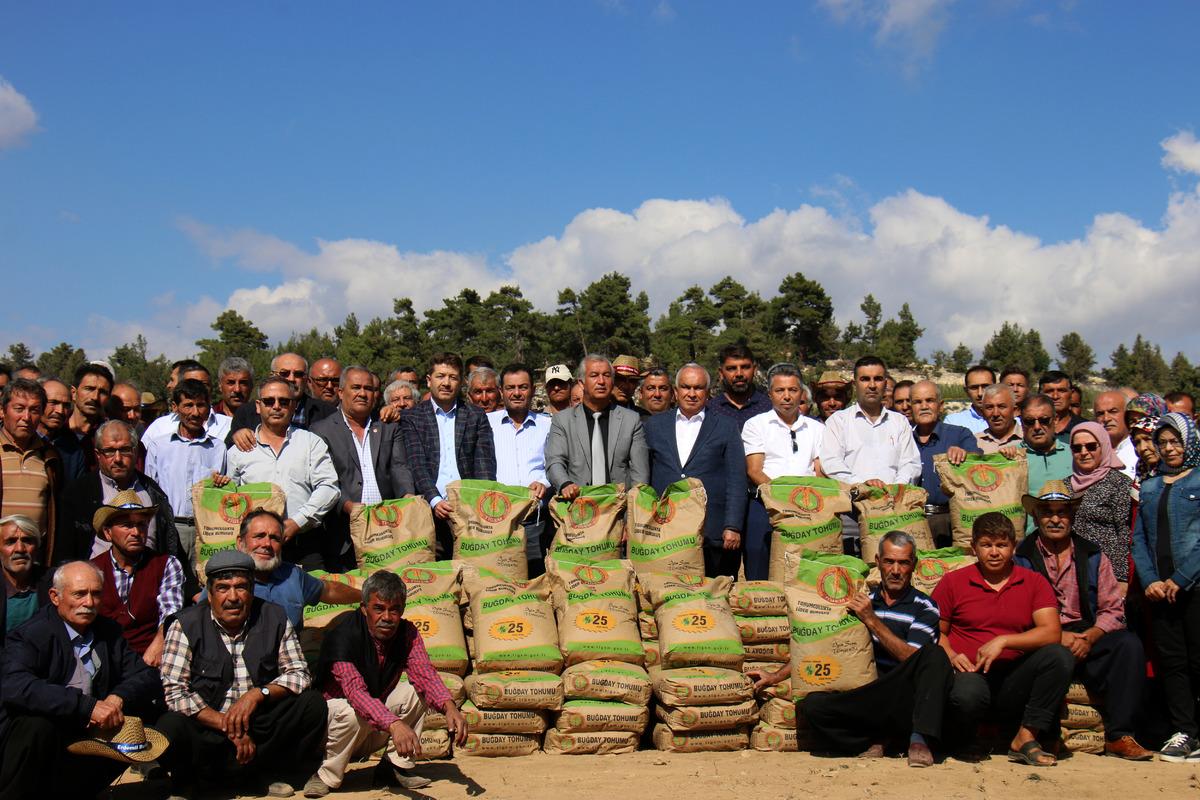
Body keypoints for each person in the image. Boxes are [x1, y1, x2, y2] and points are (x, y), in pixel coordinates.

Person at [751, 532, 952, 767]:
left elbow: (912, 658)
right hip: (868, 694)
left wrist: (872, 622)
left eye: (903, 563)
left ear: (913, 565)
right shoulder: (861, 600)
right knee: (813, 706)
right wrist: (775, 676)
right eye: (889, 562)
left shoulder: (924, 606)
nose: (895, 570)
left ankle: (919, 739)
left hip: (904, 693)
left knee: (934, 655)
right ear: (877, 562)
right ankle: (874, 740)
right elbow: (822, 646)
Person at [156, 549, 325, 798]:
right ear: (210, 593)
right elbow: (175, 693)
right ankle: (191, 782)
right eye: (223, 588)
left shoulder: (274, 616)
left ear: (252, 589)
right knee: (170, 727)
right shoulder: (186, 624)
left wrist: (258, 695)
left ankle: (267, 774)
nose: (233, 597)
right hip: (209, 727)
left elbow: (299, 673)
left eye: (241, 587)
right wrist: (228, 726)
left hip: (257, 726)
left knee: (312, 705)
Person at [0, 561, 165, 800]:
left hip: (88, 737)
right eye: (79, 594)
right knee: (36, 727)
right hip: (39, 744)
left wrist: (117, 698)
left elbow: (145, 675)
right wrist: (87, 707)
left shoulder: (108, 632)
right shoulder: (31, 635)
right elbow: (15, 685)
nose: (88, 603)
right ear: (55, 597)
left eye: (96, 594)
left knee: (142, 715)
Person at [1014, 480, 1153, 760]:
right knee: (1048, 655)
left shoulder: (1092, 554)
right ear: (1036, 516)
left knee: (1129, 646)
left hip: (1087, 632)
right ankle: (1045, 735)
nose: (1055, 519)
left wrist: (1092, 636)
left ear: (1072, 516)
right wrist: (1055, 636)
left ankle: (1119, 735)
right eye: (1047, 512)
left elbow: (1113, 609)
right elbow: (1016, 612)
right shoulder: (1022, 557)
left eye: (1062, 512)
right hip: (1044, 634)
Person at [309, 570, 469, 796]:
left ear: (402, 610)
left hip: (370, 726)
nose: (387, 617)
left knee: (416, 692)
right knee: (350, 710)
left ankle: (393, 768)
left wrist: (449, 706)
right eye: (379, 608)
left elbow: (425, 673)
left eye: (394, 610)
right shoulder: (343, 636)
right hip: (333, 731)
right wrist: (394, 724)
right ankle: (325, 775)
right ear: (364, 608)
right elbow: (356, 693)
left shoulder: (407, 633)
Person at [933, 512, 1073, 766]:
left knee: (1059, 655)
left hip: (1014, 680)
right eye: (986, 545)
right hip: (971, 674)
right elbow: (936, 632)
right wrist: (952, 655)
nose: (994, 552)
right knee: (967, 693)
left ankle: (1026, 737)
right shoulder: (953, 582)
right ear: (974, 547)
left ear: (1013, 547)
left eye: (1001, 545)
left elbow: (1051, 631)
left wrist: (1005, 641)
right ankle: (967, 739)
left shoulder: (1033, 582)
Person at [1130, 413, 1200, 761]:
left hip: (1194, 586)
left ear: (1190, 442)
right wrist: (1151, 580)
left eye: (1176, 442)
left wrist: (1181, 579)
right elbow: (1139, 539)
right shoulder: (1151, 486)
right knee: (1172, 661)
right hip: (1160, 590)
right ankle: (1185, 730)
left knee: (1198, 658)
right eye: (1163, 442)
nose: (1169, 449)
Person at [223, 377, 340, 571]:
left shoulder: (311, 443)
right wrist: (219, 484)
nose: (276, 406)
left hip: (304, 541)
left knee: (310, 599)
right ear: (258, 406)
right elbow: (231, 500)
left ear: (293, 406)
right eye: (269, 401)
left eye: (283, 401)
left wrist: (297, 522)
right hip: (257, 547)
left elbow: (329, 487)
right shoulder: (238, 451)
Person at [646, 364, 747, 578]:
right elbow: (644, 477)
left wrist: (733, 525)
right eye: (686, 387)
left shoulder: (726, 426)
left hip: (711, 530)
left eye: (698, 388)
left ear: (708, 393)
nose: (691, 394)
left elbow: (736, 479)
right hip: (665, 530)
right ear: (675, 391)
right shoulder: (654, 426)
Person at [311, 366, 414, 571]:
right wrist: (348, 506)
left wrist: (408, 498)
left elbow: (399, 467)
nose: (362, 393)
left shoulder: (388, 425)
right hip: (344, 532)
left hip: (389, 528)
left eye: (368, 388)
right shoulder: (321, 430)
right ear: (341, 392)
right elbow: (322, 481)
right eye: (355, 387)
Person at [56, 419, 189, 571]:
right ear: (98, 454)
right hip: (98, 584)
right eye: (110, 451)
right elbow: (64, 552)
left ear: (135, 451)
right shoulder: (78, 494)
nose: (118, 459)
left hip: (148, 581)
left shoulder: (153, 492)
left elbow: (170, 542)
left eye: (125, 450)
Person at [401, 353, 496, 557]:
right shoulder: (412, 417)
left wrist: (479, 503)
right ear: (429, 380)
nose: (446, 383)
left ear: (461, 382)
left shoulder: (475, 415)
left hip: (470, 511)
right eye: (440, 376)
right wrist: (435, 500)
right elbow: (417, 464)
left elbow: (484, 464)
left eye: (452, 377)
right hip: (430, 510)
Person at [211, 509, 361, 630]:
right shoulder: (223, 578)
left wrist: (366, 597)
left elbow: (329, 591)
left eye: (275, 538)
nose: (267, 544)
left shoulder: (292, 575)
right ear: (240, 542)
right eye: (259, 536)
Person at [741, 364, 823, 578]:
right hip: (765, 504)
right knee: (758, 563)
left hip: (807, 507)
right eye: (780, 391)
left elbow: (819, 471)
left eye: (792, 390)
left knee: (803, 570)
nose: (786, 396)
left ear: (801, 393)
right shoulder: (756, 425)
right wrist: (783, 499)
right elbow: (755, 470)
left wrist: (800, 503)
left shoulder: (817, 429)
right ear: (770, 394)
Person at [89, 490, 183, 665]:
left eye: (141, 525)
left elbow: (171, 614)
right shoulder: (93, 569)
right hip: (106, 660)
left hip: (150, 658)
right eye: (126, 525)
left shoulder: (166, 565)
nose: (136, 532)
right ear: (108, 533)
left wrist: (158, 644)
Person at [545, 354, 649, 501]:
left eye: (606, 375)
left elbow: (640, 474)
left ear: (612, 382)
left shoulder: (631, 420)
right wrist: (565, 484)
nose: (601, 381)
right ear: (581, 383)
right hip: (578, 508)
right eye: (594, 375)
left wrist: (634, 509)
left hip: (619, 510)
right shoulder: (562, 421)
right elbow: (554, 461)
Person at [143, 380, 228, 560]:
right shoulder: (159, 446)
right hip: (170, 527)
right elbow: (149, 493)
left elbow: (224, 493)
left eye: (201, 405)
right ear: (175, 407)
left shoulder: (218, 448)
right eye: (188, 405)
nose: (195, 413)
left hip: (206, 529)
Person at [487, 364, 552, 576]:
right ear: (501, 391)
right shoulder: (486, 424)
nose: (516, 393)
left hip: (535, 522)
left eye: (523, 387)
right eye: (510, 388)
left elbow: (557, 463)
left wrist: (545, 482)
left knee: (534, 584)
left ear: (532, 390)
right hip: (496, 524)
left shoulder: (548, 425)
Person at [819, 356, 921, 488]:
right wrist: (862, 486)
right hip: (853, 502)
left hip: (894, 503)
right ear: (855, 384)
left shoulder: (899, 422)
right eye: (865, 379)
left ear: (885, 384)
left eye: (877, 379)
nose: (872, 385)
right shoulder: (838, 421)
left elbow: (910, 463)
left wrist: (894, 489)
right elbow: (832, 463)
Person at [909, 381, 979, 544]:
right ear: (911, 407)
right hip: (914, 520)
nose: (924, 406)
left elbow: (977, 463)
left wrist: (965, 455)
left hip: (950, 519)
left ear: (940, 405)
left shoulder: (960, 435)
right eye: (918, 402)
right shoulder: (904, 439)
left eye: (929, 400)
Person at [1, 379, 63, 559]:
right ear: (3, 411)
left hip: (35, 559)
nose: (26, 417)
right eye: (19, 409)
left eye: (34, 410)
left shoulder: (50, 456)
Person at [1068, 422, 1134, 586]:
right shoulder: (1065, 485)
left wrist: (1121, 577)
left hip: (1107, 572)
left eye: (1091, 446)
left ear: (1103, 446)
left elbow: (1124, 533)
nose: (1084, 453)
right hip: (1072, 572)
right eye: (1077, 448)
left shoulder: (1119, 483)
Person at [227, 353, 336, 447]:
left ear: (306, 379)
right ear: (272, 376)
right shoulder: (246, 413)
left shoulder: (326, 413)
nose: (292, 379)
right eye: (284, 374)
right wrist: (238, 436)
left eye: (298, 374)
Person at [1008, 395, 1073, 532]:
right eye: (1029, 421)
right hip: (1026, 547)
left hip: (1069, 544)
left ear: (1055, 420)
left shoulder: (1074, 455)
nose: (1037, 427)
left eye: (1044, 420)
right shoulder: (1012, 458)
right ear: (1021, 422)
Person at [0, 515, 50, 640]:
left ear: (37, 547)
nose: (20, 549)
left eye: (27, 541)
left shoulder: (53, 582)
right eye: (11, 542)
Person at [62, 362, 114, 480]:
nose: (95, 397)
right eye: (89, 389)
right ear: (74, 393)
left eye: (102, 392)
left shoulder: (110, 439)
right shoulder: (56, 433)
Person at [705, 344, 772, 427]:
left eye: (745, 367)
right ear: (721, 373)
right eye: (732, 368)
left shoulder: (769, 408)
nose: (739, 374)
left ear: (754, 370)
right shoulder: (710, 410)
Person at [1095, 390, 1137, 479]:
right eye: (1100, 413)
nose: (1106, 418)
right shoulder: (1088, 451)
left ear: (1127, 414)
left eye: (1113, 411)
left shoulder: (1140, 451)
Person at [943, 365, 995, 434]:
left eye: (985, 387)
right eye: (974, 388)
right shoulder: (953, 423)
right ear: (966, 391)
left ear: (996, 388)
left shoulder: (1010, 421)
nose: (980, 393)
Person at [1039, 370, 1086, 442]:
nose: (1055, 396)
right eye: (1049, 391)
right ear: (1040, 394)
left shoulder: (1085, 428)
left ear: (1071, 393)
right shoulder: (1029, 426)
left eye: (1061, 391)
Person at [974, 384, 1022, 453]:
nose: (995, 414)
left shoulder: (1028, 439)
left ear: (1014, 411)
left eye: (1001, 407)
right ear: (982, 412)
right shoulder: (974, 442)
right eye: (989, 407)